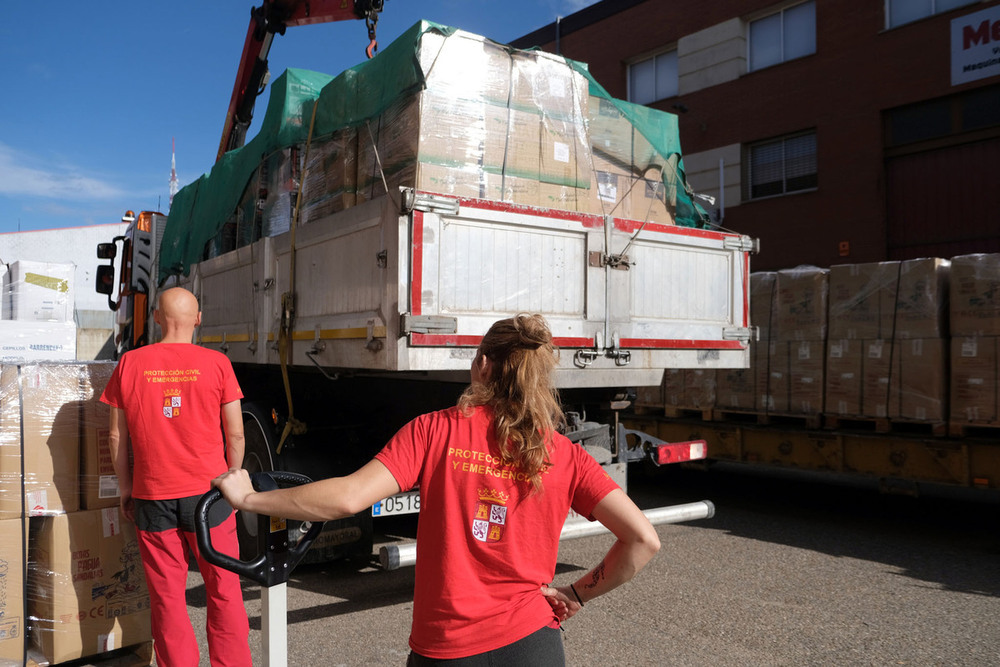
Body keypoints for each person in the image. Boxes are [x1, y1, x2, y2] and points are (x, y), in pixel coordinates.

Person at [213, 313, 661, 666]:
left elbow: (347, 499)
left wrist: (249, 497)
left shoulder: (434, 431)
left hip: (447, 649)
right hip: (534, 645)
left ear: (483, 364)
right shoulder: (566, 454)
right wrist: (576, 593)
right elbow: (643, 540)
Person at [102, 287, 252, 667]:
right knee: (224, 589)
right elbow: (235, 433)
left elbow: (116, 436)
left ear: (155, 317)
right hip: (211, 495)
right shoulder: (218, 363)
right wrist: (234, 480)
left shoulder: (129, 364)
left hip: (152, 496)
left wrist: (125, 487)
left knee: (167, 597)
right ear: (198, 320)